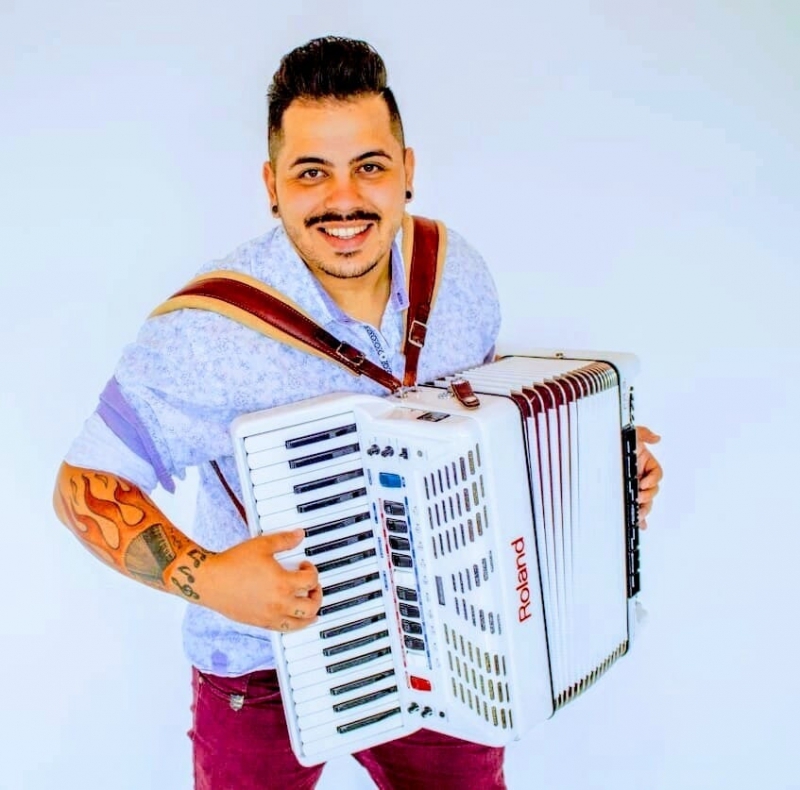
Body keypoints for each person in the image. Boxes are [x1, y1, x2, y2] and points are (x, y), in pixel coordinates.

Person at [53, 36, 663, 790]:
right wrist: (210, 580)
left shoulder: (458, 272)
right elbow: (82, 484)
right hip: (261, 668)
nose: (344, 200)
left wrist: (597, 466)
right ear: (272, 184)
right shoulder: (206, 330)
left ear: (408, 170)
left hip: (450, 650)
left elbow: (486, 432)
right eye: (312, 172)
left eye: (370, 166)